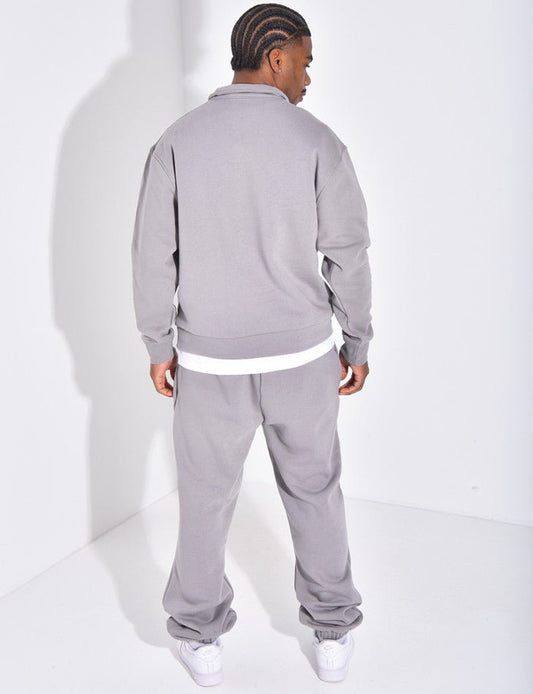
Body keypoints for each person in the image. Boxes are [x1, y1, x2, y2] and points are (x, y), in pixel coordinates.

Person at [131, 2, 373, 686]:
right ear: (275, 58)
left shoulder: (177, 141)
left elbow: (152, 256)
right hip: (303, 360)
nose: (307, 76)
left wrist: (157, 343)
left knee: (204, 501)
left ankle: (198, 636)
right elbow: (348, 253)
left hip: (210, 364)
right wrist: (356, 341)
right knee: (315, 491)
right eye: (304, 62)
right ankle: (332, 629)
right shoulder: (316, 140)